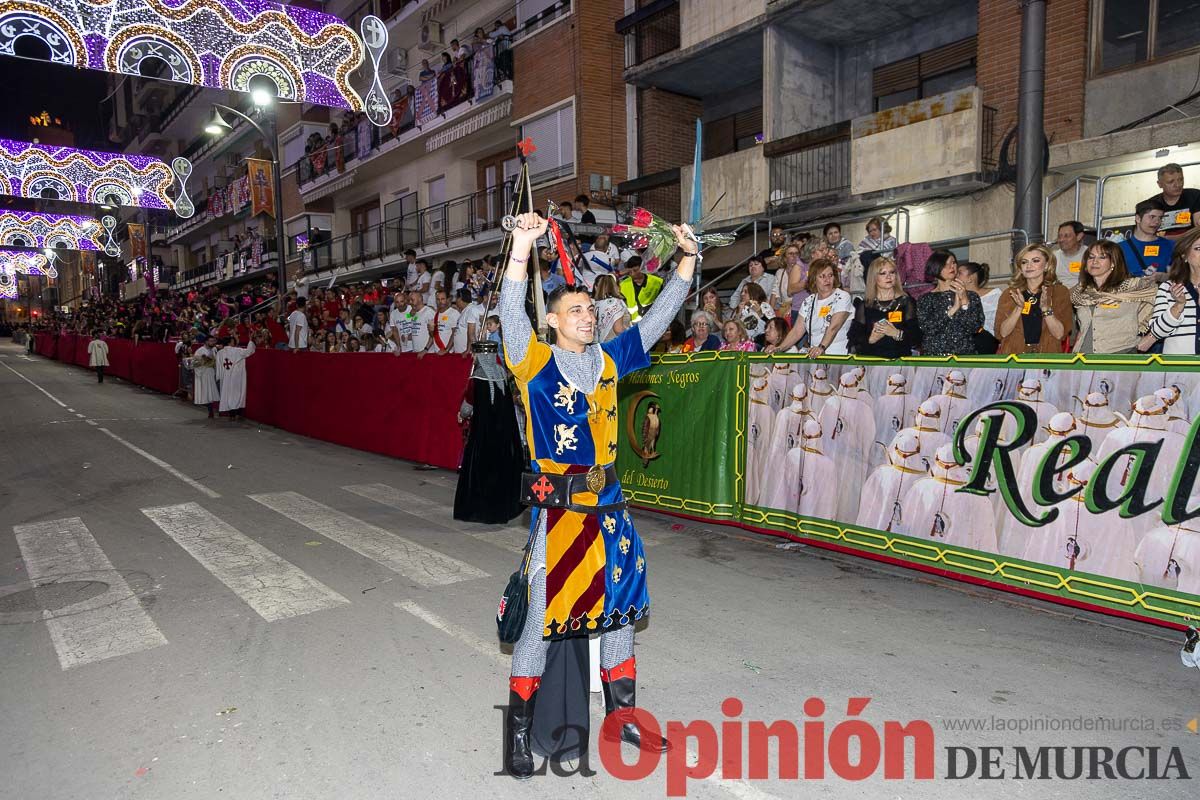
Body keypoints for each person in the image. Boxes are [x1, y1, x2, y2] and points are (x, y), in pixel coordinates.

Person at [496, 212, 693, 778]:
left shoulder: (609, 359)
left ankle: (623, 720)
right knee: (538, 623)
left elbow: (657, 321)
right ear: (553, 321)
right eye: (575, 311)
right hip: (559, 517)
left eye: (590, 309)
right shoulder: (531, 361)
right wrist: (521, 249)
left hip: (610, 512)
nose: (587, 316)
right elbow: (511, 313)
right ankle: (518, 733)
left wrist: (686, 259)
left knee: (620, 616)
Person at [1070, 240, 1157, 354]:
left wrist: (1152, 337)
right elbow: (1082, 329)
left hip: (1120, 357)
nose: (1094, 261)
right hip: (1082, 358)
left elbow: (1165, 304)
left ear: (1113, 263)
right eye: (1091, 257)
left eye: (1102, 257)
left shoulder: (1133, 288)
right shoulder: (1080, 292)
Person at [765, 258, 853, 357]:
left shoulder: (842, 296)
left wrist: (821, 347)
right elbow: (797, 331)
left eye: (830, 275)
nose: (827, 280)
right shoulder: (809, 301)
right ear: (814, 279)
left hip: (838, 354)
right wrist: (779, 348)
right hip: (814, 355)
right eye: (822, 276)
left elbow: (834, 327)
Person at [995, 243, 1072, 354]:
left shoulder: (1059, 292)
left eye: (1035, 261)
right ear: (1020, 268)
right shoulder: (1010, 293)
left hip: (1046, 356)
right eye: (1024, 262)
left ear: (1046, 265)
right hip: (1015, 356)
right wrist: (1018, 308)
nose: (1028, 266)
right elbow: (1002, 334)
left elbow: (1060, 334)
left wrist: (1046, 309)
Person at [848, 257, 919, 358]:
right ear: (874, 278)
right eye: (883, 273)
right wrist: (871, 339)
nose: (889, 277)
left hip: (899, 363)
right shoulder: (865, 305)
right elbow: (854, 339)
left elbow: (917, 337)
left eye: (892, 272)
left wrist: (897, 333)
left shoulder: (907, 302)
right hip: (871, 362)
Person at [915, 251, 983, 356]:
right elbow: (927, 328)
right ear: (935, 267)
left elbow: (974, 327)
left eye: (954, 262)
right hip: (935, 357)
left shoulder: (972, 296)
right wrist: (952, 310)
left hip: (964, 356)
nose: (952, 266)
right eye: (946, 264)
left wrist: (965, 301)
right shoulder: (925, 299)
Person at [1148, 227, 1200, 353]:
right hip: (1179, 367)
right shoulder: (1168, 288)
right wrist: (1178, 306)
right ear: (1184, 255)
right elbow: (1157, 332)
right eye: (1198, 248)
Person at [1119, 199, 1174, 278]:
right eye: (1152, 217)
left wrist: (1162, 277)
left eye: (1160, 218)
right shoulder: (1119, 248)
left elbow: (1176, 278)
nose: (1157, 222)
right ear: (1138, 218)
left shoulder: (1170, 245)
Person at [1144, 163, 1200, 238]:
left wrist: (1174, 238)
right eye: (1171, 182)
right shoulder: (1151, 205)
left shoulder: (1195, 196)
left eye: (1181, 179)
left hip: (1189, 244)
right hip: (1162, 245)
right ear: (1160, 184)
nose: (1178, 185)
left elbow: (1198, 228)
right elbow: (1147, 234)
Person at [214, 336, 255, 421]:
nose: (235, 343)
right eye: (233, 341)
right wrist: (251, 341)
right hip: (237, 377)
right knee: (238, 394)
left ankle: (231, 415)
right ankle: (237, 414)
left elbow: (218, 366)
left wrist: (219, 377)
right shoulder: (236, 350)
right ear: (230, 342)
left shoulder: (220, 353)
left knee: (228, 395)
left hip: (225, 378)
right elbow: (249, 351)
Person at [957, 261, 1001, 339]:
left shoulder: (995, 295)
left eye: (959, 273)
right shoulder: (956, 299)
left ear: (970, 278)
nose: (955, 277)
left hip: (992, 344)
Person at [618, 256, 663, 322]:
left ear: (642, 268)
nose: (632, 273)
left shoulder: (657, 282)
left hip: (653, 322)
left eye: (635, 270)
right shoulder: (623, 285)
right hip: (632, 325)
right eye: (629, 271)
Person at [593, 274, 631, 343]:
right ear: (615, 286)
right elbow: (618, 329)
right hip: (617, 344)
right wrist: (632, 339)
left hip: (601, 344)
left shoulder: (597, 304)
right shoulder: (616, 302)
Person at [191, 333, 220, 417]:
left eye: (213, 341)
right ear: (206, 342)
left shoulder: (214, 349)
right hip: (204, 373)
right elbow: (194, 363)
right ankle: (210, 410)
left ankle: (213, 410)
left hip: (212, 373)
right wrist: (204, 361)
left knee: (212, 393)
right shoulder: (200, 350)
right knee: (207, 393)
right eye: (211, 341)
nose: (213, 343)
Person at [1052, 221, 1088, 286]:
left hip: (1083, 291)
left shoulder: (1089, 255)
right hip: (1059, 292)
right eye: (1059, 236)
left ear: (1079, 236)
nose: (1061, 240)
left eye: (1067, 236)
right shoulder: (1054, 256)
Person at [430, 289, 459, 354]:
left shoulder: (454, 313)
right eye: (438, 299)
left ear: (447, 299)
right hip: (437, 352)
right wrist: (430, 330)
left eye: (442, 299)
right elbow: (433, 336)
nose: (440, 301)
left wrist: (446, 349)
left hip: (449, 352)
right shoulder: (436, 314)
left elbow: (455, 334)